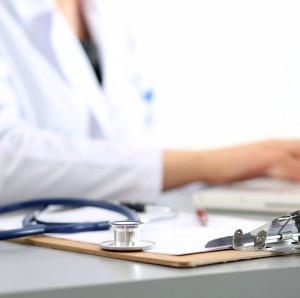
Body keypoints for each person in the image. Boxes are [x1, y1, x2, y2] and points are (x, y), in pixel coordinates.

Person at [0, 0, 300, 205]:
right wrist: (205, 165)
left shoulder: (109, 13)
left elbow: (128, 144)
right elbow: (6, 160)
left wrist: (255, 165)